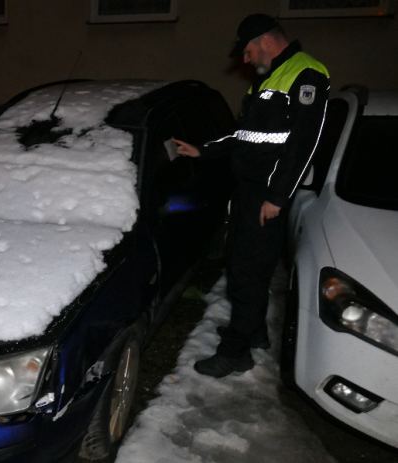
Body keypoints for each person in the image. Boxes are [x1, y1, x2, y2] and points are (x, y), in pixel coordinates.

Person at [173, 14, 329, 378]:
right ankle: (253, 330)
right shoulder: (265, 81)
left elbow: (304, 144)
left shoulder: (306, 74)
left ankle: (235, 353)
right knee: (243, 266)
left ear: (263, 41)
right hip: (248, 192)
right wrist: (202, 150)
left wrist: (277, 197)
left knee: (247, 271)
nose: (244, 60)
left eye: (246, 51)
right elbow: (243, 136)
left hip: (267, 195)